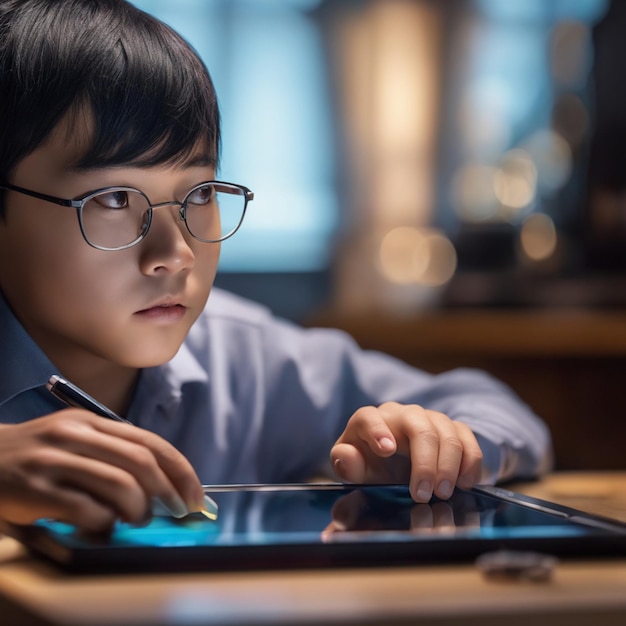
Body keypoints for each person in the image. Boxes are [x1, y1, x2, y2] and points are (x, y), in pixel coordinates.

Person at [0, 0, 552, 533]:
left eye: (198, 193)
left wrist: (437, 446)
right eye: (116, 199)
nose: (176, 253)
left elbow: (495, 410)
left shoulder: (245, 362)